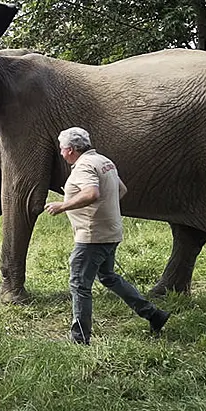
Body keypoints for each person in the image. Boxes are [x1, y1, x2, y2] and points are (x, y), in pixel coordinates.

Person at [44, 127, 169, 345]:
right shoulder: (103, 161)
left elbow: (92, 193)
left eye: (62, 149)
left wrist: (63, 206)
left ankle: (79, 338)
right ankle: (154, 315)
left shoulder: (83, 166)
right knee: (108, 276)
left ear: (71, 149)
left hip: (92, 236)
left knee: (79, 284)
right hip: (111, 231)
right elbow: (121, 190)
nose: (61, 153)